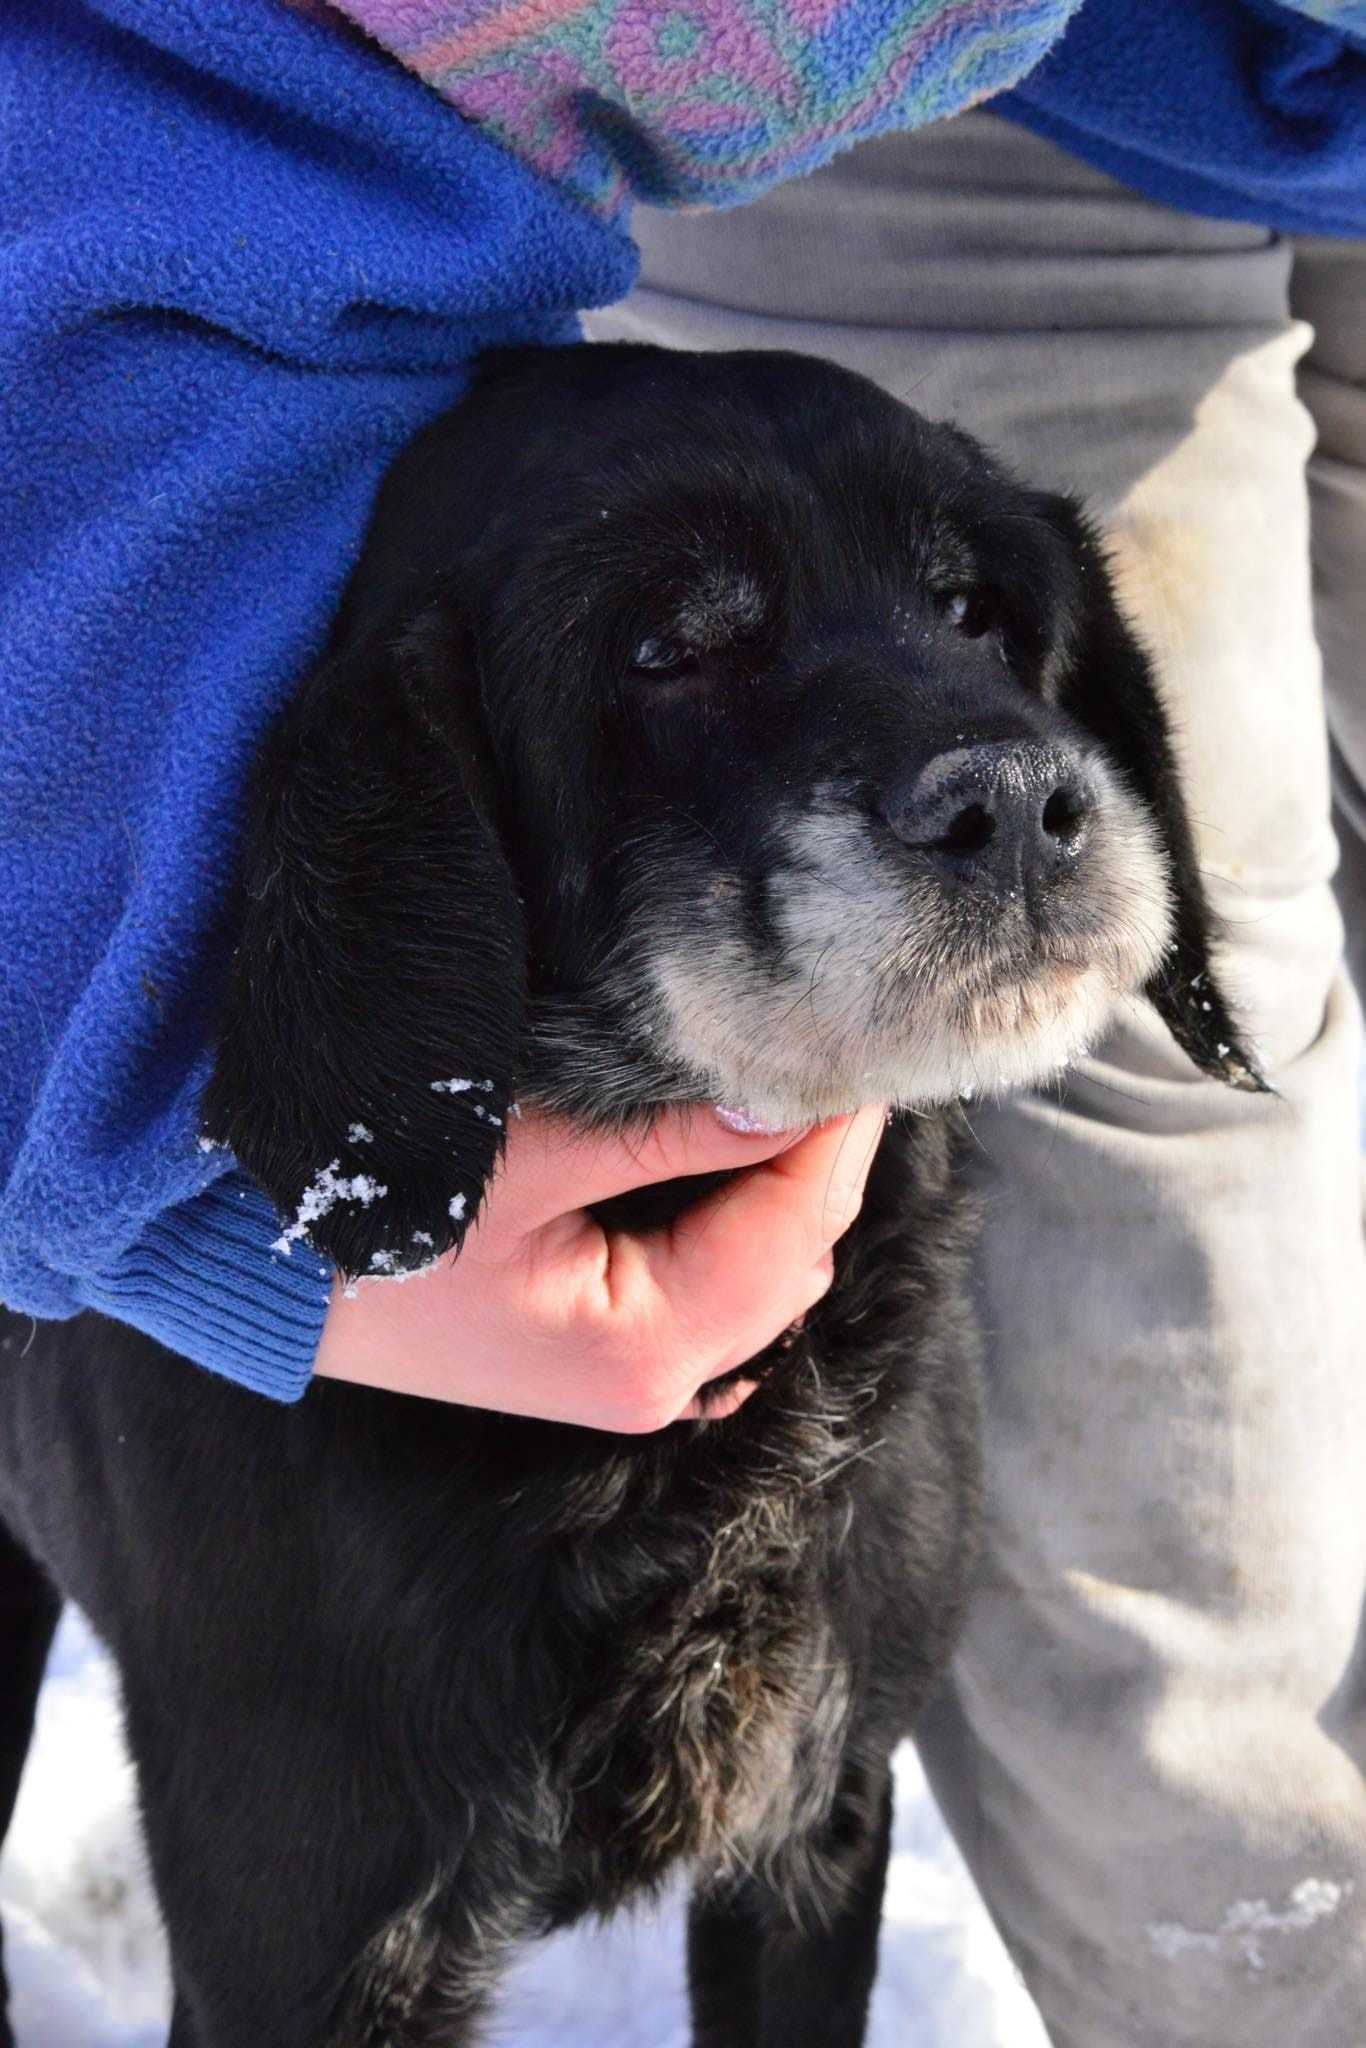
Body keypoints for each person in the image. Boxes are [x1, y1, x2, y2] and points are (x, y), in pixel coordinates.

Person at [1, 0, 1363, 2040]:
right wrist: (159, 1181)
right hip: (994, 125)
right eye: (679, 651)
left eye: (977, 621)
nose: (996, 769)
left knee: (821, 1805)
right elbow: (165, 130)